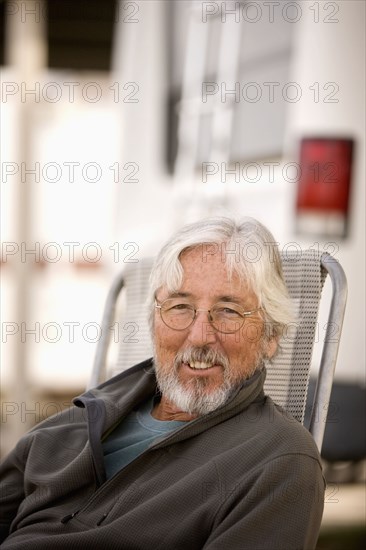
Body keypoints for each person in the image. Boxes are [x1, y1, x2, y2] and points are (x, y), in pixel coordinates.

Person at [0, 216, 325, 549]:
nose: (200, 336)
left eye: (229, 310)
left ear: (271, 335)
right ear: (154, 322)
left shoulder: (277, 462)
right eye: (180, 307)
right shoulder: (83, 419)